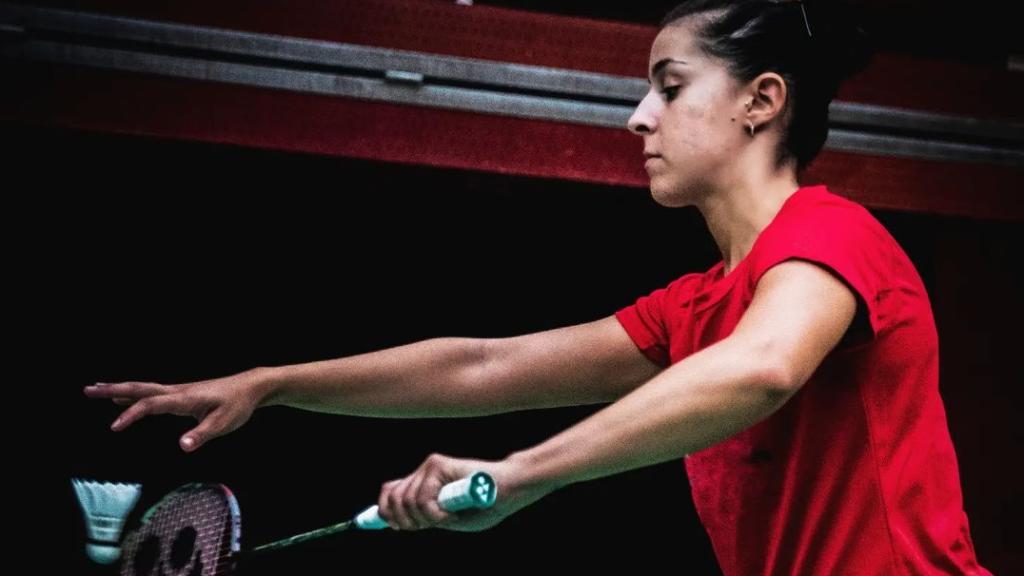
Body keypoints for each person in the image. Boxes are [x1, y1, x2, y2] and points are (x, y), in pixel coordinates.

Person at [85, 1, 991, 573]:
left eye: (670, 87)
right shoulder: (692, 309)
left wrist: (520, 475)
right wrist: (274, 383)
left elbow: (761, 369)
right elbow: (485, 365)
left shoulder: (834, 235)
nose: (639, 117)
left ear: (762, 100)